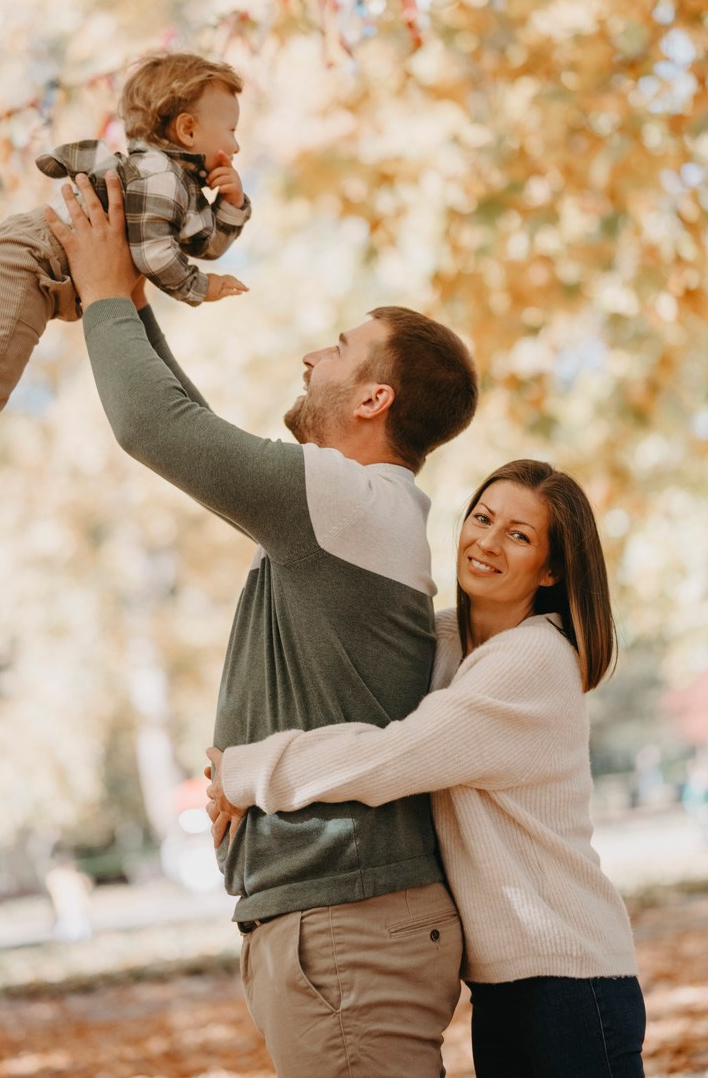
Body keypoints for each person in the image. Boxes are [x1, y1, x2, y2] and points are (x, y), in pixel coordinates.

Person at [44, 170, 479, 1078]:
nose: (312, 357)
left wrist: (101, 298)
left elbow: (156, 429)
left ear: (374, 400)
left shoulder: (352, 499)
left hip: (348, 934)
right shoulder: (354, 508)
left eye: (340, 348)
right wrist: (124, 299)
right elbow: (188, 422)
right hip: (339, 929)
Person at [208, 459, 647, 1078]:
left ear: (550, 569)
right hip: (510, 983)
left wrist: (249, 773)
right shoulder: (457, 645)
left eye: (518, 535)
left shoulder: (534, 661)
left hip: (570, 978)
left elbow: (393, 756)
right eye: (482, 518)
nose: (488, 542)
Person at [0, 51, 250, 508]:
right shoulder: (160, 177)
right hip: (29, 261)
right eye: (231, 130)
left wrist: (231, 202)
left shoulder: (177, 184)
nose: (237, 146)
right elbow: (154, 253)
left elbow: (203, 241)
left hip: (20, 256)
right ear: (187, 129)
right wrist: (199, 286)